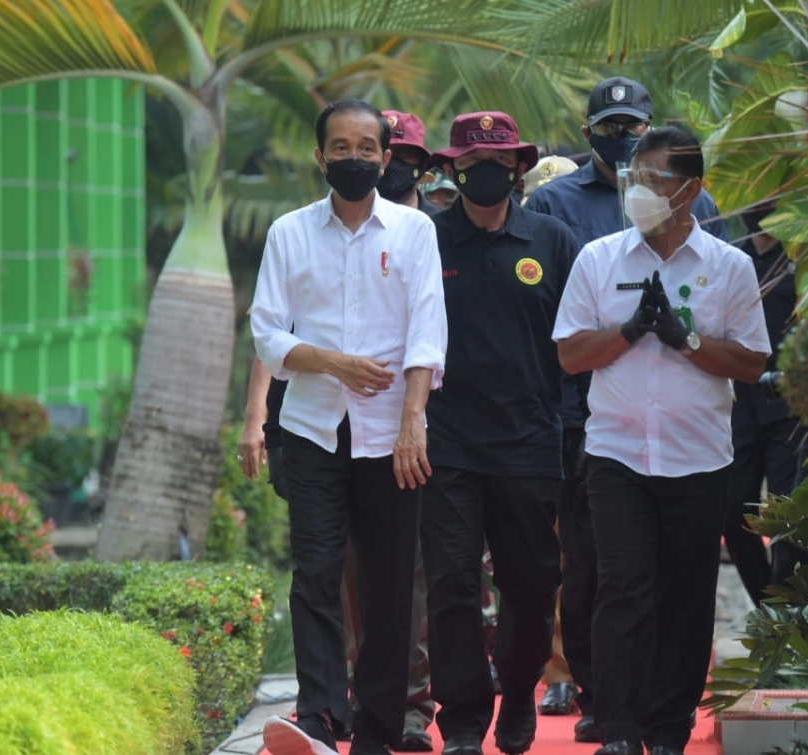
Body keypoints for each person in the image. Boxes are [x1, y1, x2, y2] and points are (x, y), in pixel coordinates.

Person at [523, 76, 731, 740]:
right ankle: (601, 700)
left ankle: (652, 711)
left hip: (684, 429)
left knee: (665, 578)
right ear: (588, 135)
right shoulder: (554, 205)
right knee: (593, 572)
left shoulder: (707, 207)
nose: (622, 142)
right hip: (582, 416)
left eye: (633, 129)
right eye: (610, 129)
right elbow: (550, 321)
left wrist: (684, 336)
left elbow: (731, 313)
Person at [552, 125, 770, 755]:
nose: (640, 192)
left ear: (692, 190)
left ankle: (669, 730)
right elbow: (569, 355)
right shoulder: (600, 260)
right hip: (618, 455)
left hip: (698, 459)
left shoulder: (729, 267)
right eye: (634, 179)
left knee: (685, 594)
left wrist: (686, 340)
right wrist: (628, 331)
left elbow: (753, 363)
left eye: (656, 180)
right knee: (621, 587)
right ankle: (618, 730)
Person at [241, 109, 444, 752]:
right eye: (340, 147)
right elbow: (268, 333)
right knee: (316, 575)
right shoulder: (289, 232)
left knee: (388, 585)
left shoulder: (414, 231)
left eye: (366, 147)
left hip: (391, 437)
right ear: (320, 156)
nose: (353, 157)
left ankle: (380, 728)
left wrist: (413, 421)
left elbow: (428, 332)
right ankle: (322, 716)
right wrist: (331, 360)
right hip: (310, 430)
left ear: (386, 159)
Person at [422, 111, 577, 755]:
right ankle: (462, 717)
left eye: (497, 162)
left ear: (519, 168)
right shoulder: (425, 240)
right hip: (445, 444)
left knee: (531, 584)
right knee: (452, 583)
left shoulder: (553, 240)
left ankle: (516, 692)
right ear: (452, 168)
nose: (483, 174)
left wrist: (571, 429)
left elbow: (578, 342)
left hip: (530, 444)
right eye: (471, 163)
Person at [725, 202, 808, 604]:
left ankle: (787, 609)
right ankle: (768, 604)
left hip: (790, 406)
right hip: (737, 404)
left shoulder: (804, 255)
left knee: (788, 518)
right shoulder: (731, 256)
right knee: (732, 511)